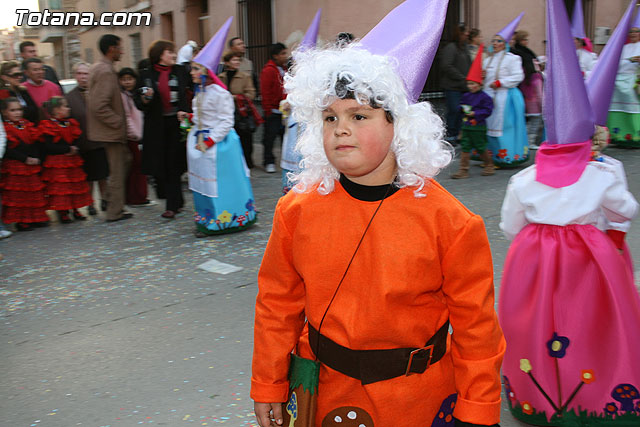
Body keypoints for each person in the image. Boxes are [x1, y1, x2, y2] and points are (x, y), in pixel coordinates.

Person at [251, 1, 505, 425]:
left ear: (399, 126)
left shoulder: (450, 222)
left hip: (417, 401)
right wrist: (269, 382)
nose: (340, 128)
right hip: (323, 394)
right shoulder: (296, 210)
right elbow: (277, 305)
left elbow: (476, 328)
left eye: (359, 115)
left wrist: (477, 409)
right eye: (329, 117)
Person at [499, 2, 640, 424]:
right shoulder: (600, 174)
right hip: (588, 258)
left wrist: (533, 241)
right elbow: (625, 209)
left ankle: (538, 398)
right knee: (591, 322)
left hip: (535, 259)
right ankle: (598, 395)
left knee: (536, 322)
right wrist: (611, 230)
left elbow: (509, 225)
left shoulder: (524, 179)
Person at [180, 36, 257, 237]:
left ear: (206, 71)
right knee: (203, 184)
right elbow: (202, 118)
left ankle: (226, 220)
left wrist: (209, 141)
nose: (192, 72)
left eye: (196, 69)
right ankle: (207, 218)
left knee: (221, 183)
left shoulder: (220, 94)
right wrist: (189, 117)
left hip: (219, 146)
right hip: (201, 144)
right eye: (192, 68)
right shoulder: (200, 92)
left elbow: (225, 122)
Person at [136, 40, 191, 219]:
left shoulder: (180, 71)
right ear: (160, 54)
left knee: (174, 164)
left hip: (177, 123)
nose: (174, 55)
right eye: (170, 52)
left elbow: (191, 89)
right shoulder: (146, 74)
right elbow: (139, 103)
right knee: (163, 165)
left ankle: (172, 206)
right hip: (157, 127)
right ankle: (176, 201)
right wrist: (146, 98)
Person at [87, 34, 132, 223]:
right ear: (112, 49)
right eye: (120, 48)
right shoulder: (105, 71)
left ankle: (109, 200)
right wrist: (117, 122)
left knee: (125, 161)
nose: (122, 52)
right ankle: (114, 211)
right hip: (111, 132)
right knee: (117, 170)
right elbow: (99, 105)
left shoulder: (102, 68)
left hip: (110, 131)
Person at [39, 97, 92, 223]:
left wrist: (75, 148)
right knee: (61, 188)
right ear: (57, 110)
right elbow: (49, 146)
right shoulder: (48, 125)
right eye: (65, 106)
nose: (69, 108)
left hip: (72, 160)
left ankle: (75, 208)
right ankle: (63, 211)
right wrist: (67, 149)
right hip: (57, 162)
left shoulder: (71, 123)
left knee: (74, 185)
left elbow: (77, 138)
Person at [65, 62, 109, 216]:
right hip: (83, 143)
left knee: (103, 174)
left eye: (86, 73)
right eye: (79, 73)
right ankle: (90, 203)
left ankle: (105, 199)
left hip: (101, 141)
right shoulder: (69, 98)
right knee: (88, 176)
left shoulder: (99, 92)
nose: (83, 77)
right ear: (75, 76)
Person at [0, 97, 48, 231]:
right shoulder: (5, 128)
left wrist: (35, 157)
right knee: (20, 194)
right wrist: (25, 159)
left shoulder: (26, 124)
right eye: (13, 110)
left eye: (19, 109)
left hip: (30, 165)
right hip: (15, 165)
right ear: (4, 112)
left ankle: (36, 217)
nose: (17, 113)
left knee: (33, 191)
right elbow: (8, 149)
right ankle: (22, 220)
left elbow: (35, 142)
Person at [483, 24, 528, 168]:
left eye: (499, 41)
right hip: (489, 98)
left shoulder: (512, 59)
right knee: (489, 126)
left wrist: (500, 82)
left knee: (505, 127)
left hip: (505, 98)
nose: (495, 43)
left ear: (505, 44)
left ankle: (506, 157)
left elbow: (518, 76)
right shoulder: (487, 60)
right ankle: (491, 157)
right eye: (494, 41)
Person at [451, 44, 494, 179]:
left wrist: (475, 114)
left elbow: (488, 110)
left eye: (473, 84)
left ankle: (489, 165)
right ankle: (463, 170)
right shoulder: (466, 96)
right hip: (466, 126)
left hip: (478, 126)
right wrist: (461, 109)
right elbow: (461, 106)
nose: (471, 86)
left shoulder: (485, 97)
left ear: (480, 84)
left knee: (480, 146)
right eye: (469, 84)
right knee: (465, 147)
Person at [119, 67, 154, 207]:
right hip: (133, 136)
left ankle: (140, 195)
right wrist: (135, 134)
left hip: (140, 133)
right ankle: (135, 197)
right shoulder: (123, 96)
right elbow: (127, 117)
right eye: (124, 79)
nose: (127, 82)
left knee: (140, 166)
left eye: (130, 79)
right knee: (137, 166)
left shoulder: (135, 94)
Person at [218, 51, 259, 168]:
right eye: (234, 60)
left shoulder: (245, 76)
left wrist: (235, 97)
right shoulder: (221, 77)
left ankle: (247, 162)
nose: (237, 62)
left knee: (245, 139)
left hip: (241, 113)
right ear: (227, 62)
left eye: (238, 60)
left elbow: (251, 94)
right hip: (226, 112)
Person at [607, 25, 640, 148]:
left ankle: (635, 137)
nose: (633, 34)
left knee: (634, 109)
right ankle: (619, 137)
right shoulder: (623, 48)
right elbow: (614, 62)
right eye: (631, 32)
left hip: (633, 81)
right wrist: (629, 61)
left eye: (636, 32)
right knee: (617, 108)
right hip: (618, 81)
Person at [512, 30, 544, 148]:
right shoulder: (521, 55)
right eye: (524, 39)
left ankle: (525, 140)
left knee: (528, 120)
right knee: (533, 120)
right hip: (529, 94)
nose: (526, 42)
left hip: (527, 92)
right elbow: (539, 93)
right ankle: (529, 141)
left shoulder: (526, 52)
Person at [439, 24, 471, 144]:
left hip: (463, 87)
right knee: (454, 110)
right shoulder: (451, 48)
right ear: (460, 34)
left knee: (462, 112)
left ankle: (457, 134)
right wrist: (461, 77)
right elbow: (446, 65)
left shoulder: (465, 48)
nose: (467, 35)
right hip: (452, 87)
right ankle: (450, 135)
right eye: (465, 33)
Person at [259, 42, 288, 173]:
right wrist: (268, 109)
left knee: (284, 137)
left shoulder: (285, 69)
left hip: (284, 110)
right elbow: (265, 91)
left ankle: (285, 159)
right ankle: (268, 161)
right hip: (273, 110)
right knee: (270, 138)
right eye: (283, 53)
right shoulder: (269, 70)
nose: (285, 56)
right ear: (275, 56)